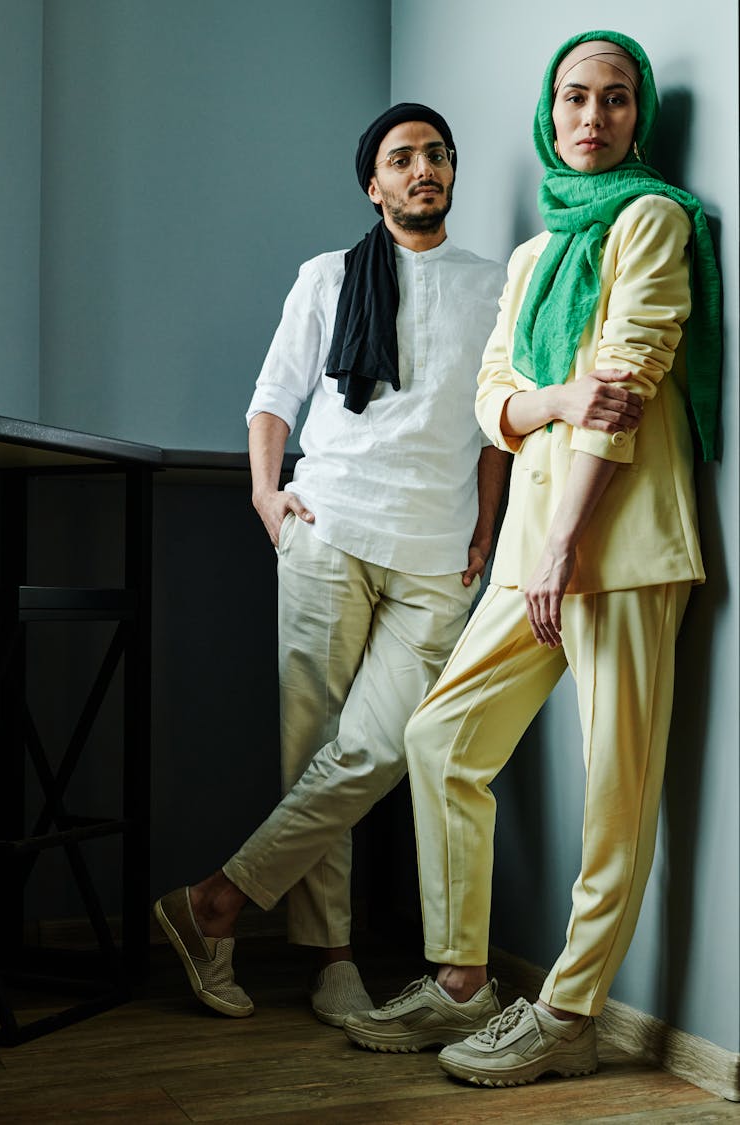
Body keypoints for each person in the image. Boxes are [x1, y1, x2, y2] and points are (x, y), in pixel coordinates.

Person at [343, 31, 722, 1086]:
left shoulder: (651, 220)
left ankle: (569, 1013)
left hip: (626, 546)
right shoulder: (536, 252)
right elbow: (496, 394)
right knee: (441, 738)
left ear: (637, 114)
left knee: (616, 790)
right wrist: (547, 403)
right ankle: (463, 980)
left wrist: (562, 540)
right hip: (533, 551)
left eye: (612, 100)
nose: (591, 119)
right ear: (549, 114)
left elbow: (631, 373)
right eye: (573, 99)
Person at [153, 103, 514, 1030]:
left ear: (451, 174)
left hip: (438, 553)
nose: (423, 169)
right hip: (333, 526)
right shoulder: (328, 276)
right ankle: (330, 956)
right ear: (375, 183)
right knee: (310, 744)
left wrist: (488, 528)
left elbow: (495, 419)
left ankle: (214, 903)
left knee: (380, 746)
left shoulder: (493, 284)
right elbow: (274, 395)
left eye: (437, 155)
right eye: (403, 158)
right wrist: (268, 496)